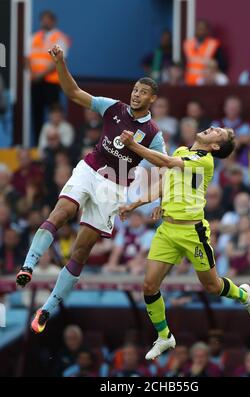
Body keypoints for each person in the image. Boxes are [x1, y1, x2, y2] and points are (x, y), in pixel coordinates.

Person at [16, 44, 166, 334]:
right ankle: (28, 265)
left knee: (81, 250)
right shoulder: (113, 108)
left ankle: (47, 309)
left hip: (115, 187)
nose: (136, 94)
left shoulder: (153, 135)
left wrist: (155, 201)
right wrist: (60, 63)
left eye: (143, 92)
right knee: (62, 211)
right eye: (135, 89)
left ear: (153, 99)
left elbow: (162, 167)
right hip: (90, 169)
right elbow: (73, 93)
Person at [119, 125, 250, 360]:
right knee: (149, 286)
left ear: (215, 146)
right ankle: (165, 336)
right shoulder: (182, 150)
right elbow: (165, 181)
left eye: (219, 133)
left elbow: (164, 162)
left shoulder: (205, 161)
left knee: (212, 287)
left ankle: (244, 295)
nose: (213, 128)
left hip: (192, 232)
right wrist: (136, 204)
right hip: (167, 230)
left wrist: (133, 145)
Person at [28, 11, 70, 142]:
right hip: (35, 82)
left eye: (47, 19)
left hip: (52, 82)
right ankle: (38, 143)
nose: (44, 22)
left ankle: (57, 142)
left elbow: (60, 59)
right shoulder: (33, 37)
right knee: (37, 114)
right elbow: (26, 57)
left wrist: (40, 74)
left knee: (54, 113)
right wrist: (33, 73)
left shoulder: (59, 38)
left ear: (53, 21)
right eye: (42, 19)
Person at [183, 19, 227, 86]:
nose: (200, 31)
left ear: (207, 31)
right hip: (189, 81)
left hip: (206, 81)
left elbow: (222, 65)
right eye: (198, 29)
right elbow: (184, 64)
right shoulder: (188, 44)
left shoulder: (213, 44)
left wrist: (213, 71)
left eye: (203, 29)